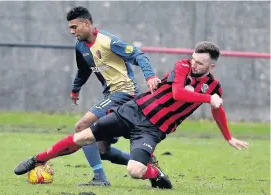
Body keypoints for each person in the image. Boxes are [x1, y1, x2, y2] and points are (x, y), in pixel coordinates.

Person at [14, 41, 249, 189]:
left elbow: (218, 111)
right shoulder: (182, 66)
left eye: (200, 63)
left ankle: (155, 173)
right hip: (133, 110)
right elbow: (178, 93)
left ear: (212, 67)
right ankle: (39, 159)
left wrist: (228, 137)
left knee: (135, 171)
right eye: (194, 59)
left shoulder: (215, 88)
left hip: (152, 129)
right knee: (83, 137)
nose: (194, 65)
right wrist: (209, 99)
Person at [65, 6, 161, 186]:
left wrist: (150, 76)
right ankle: (148, 168)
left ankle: (100, 178)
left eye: (75, 27)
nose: (72, 31)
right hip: (111, 95)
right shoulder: (80, 46)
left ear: (87, 23)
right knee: (101, 149)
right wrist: (75, 89)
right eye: (70, 28)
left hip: (125, 93)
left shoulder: (109, 41)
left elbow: (138, 54)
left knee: (82, 126)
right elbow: (84, 69)